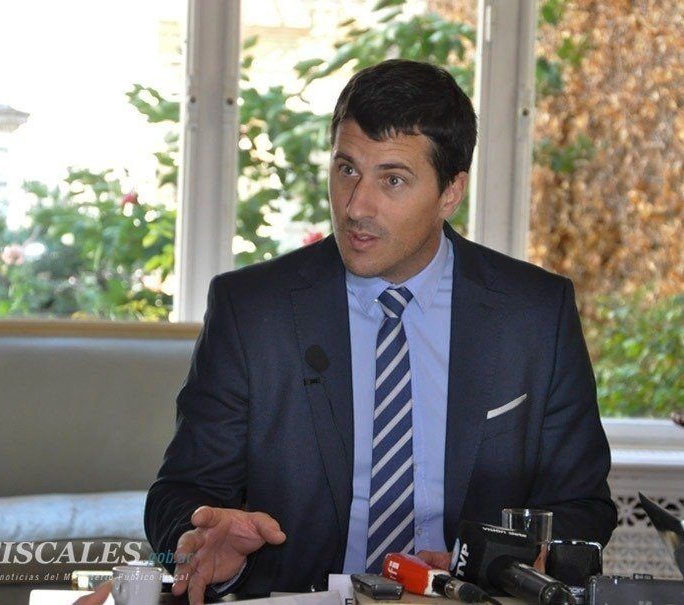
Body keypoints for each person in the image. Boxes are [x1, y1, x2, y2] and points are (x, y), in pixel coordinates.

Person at [77, 59, 616, 605]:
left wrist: (484, 566)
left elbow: (583, 507)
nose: (357, 206)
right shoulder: (252, 310)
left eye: (393, 180)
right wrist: (199, 542)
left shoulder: (534, 314)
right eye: (347, 169)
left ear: (451, 192)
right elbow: (181, 492)